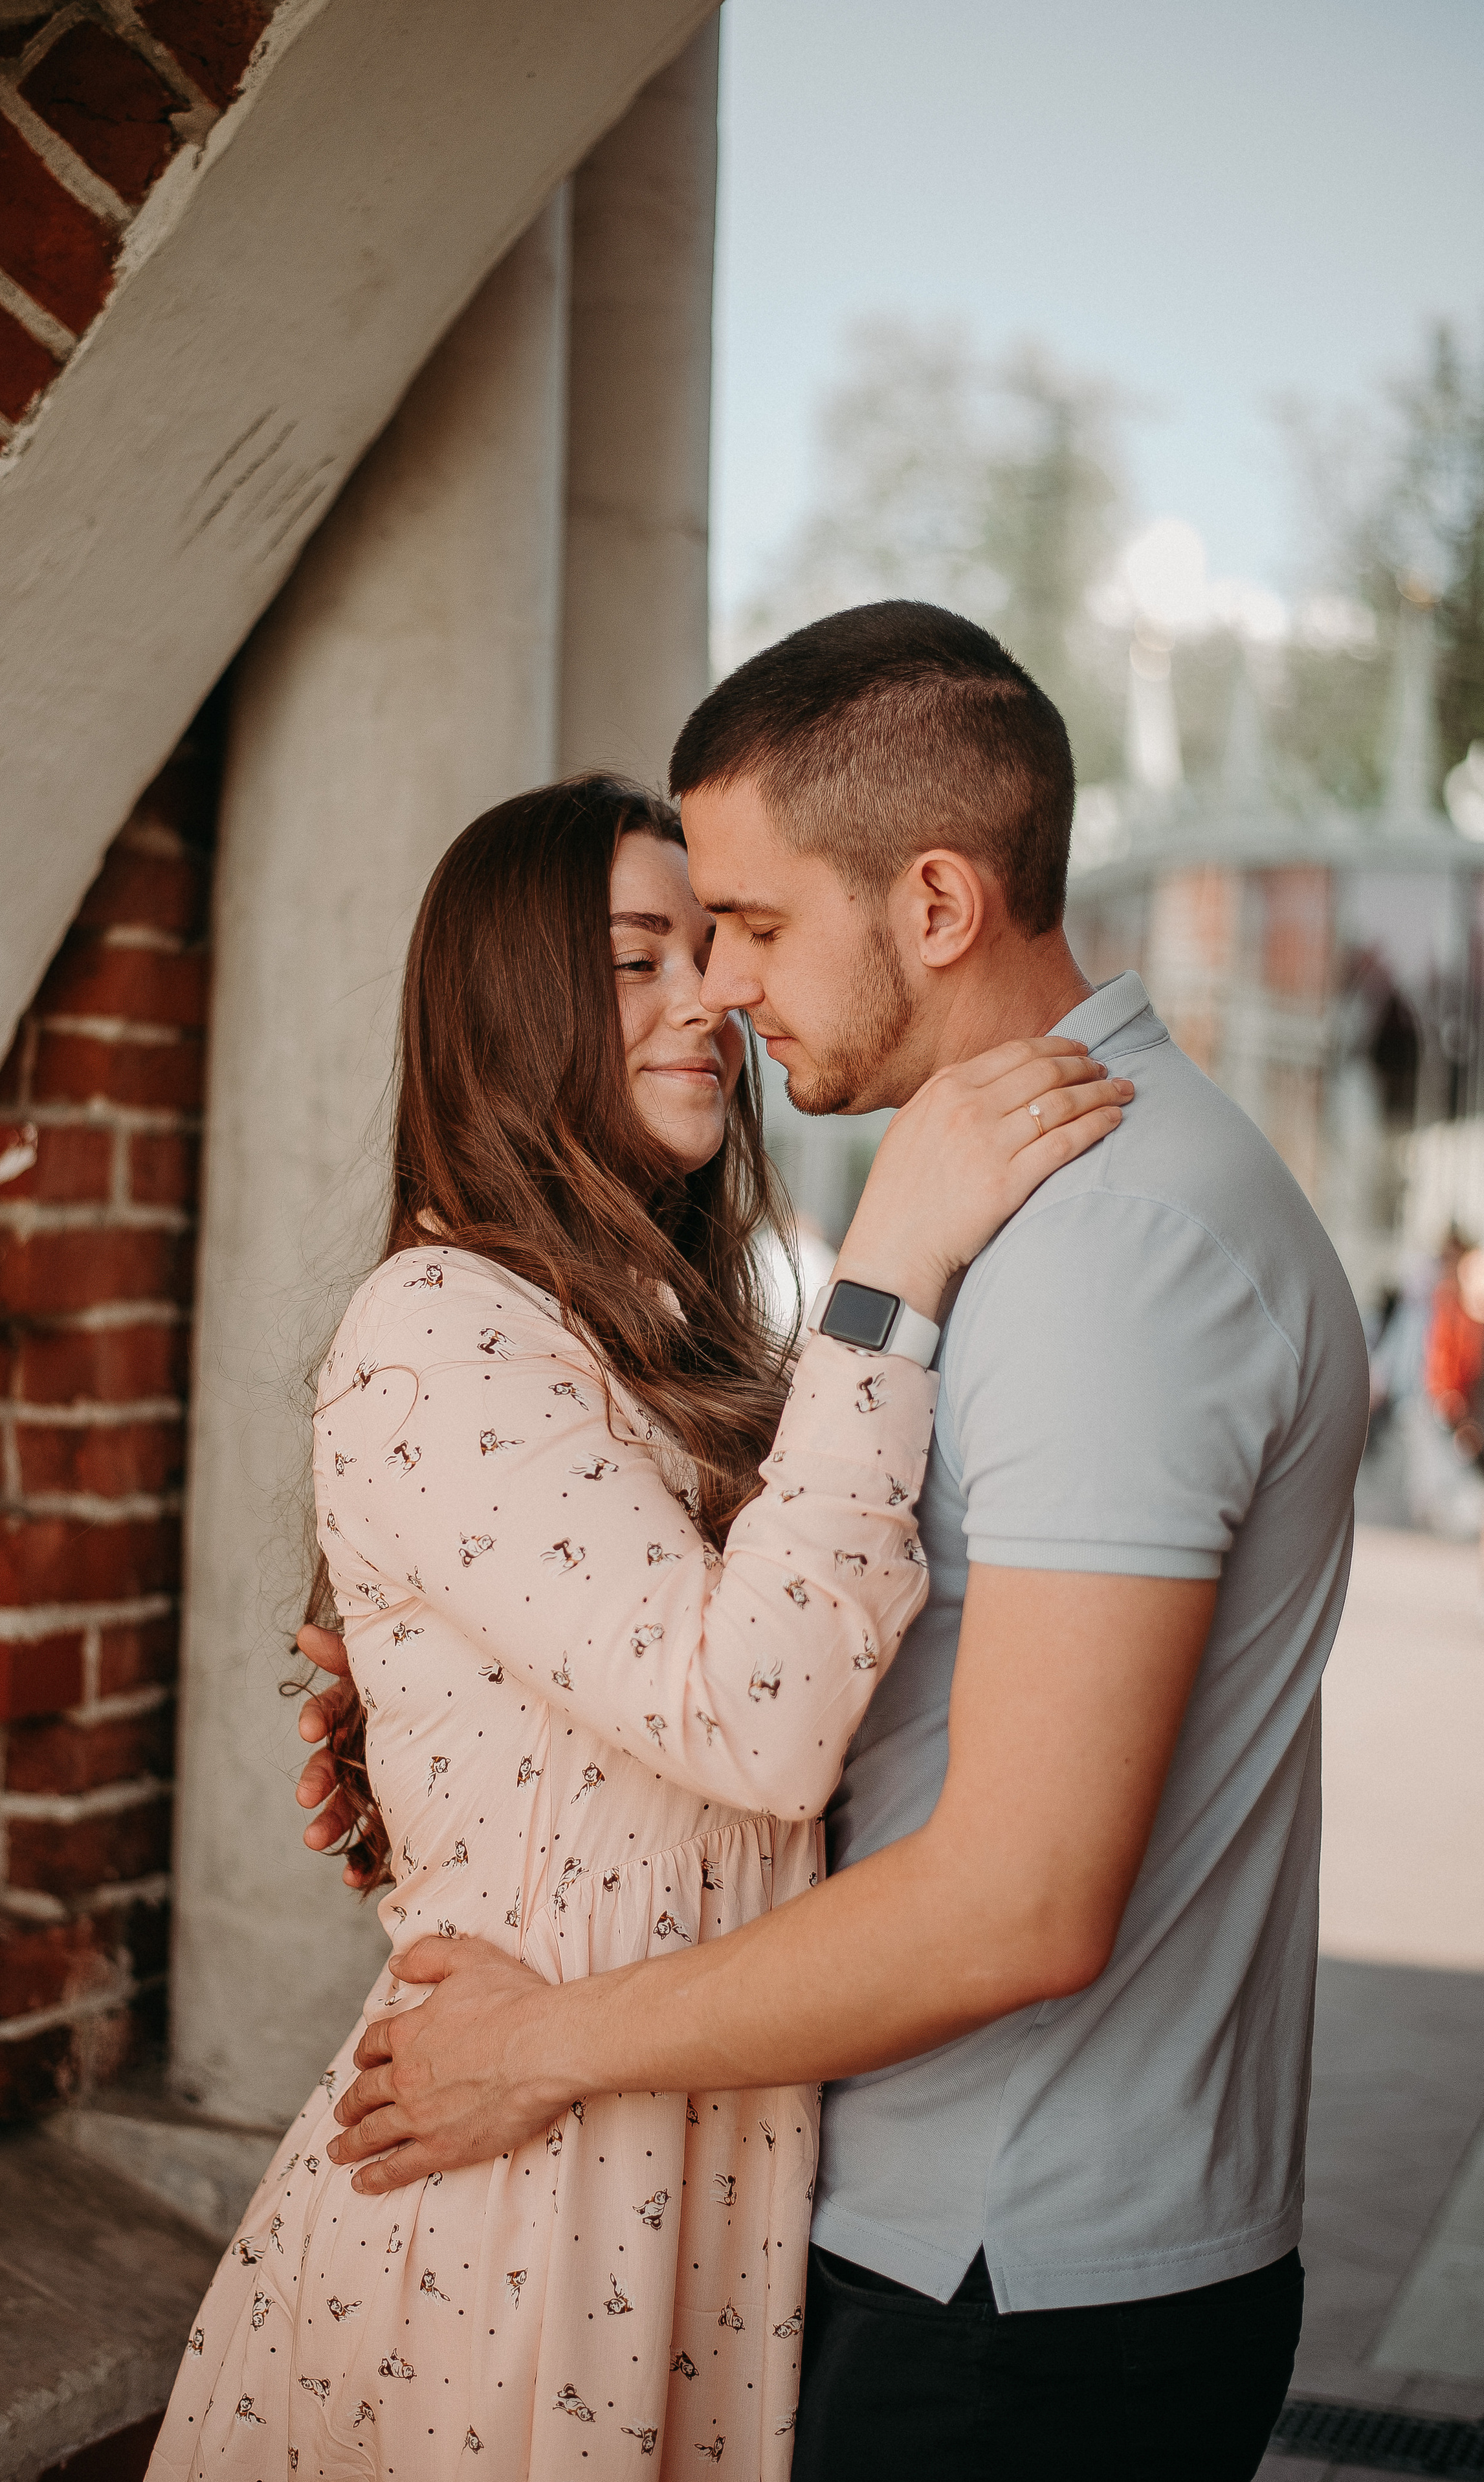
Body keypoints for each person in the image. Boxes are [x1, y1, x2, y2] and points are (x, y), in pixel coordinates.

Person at [300, 605, 1371, 2482]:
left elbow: (1016, 1895)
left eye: (750, 927)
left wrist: (543, 2042)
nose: (719, 986)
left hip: (1004, 2268)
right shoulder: (1033, 1213)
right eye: (663, 946)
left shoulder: (1102, 1248)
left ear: (937, 903)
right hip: (892, 2232)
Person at [149, 772, 1126, 2481]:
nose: (714, 998)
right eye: (640, 957)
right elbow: (754, 1711)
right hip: (504, 2218)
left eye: (719, 946)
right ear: (514, 1002)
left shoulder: (678, 1338)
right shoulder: (441, 1323)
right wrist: (889, 1270)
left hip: (690, 2194)